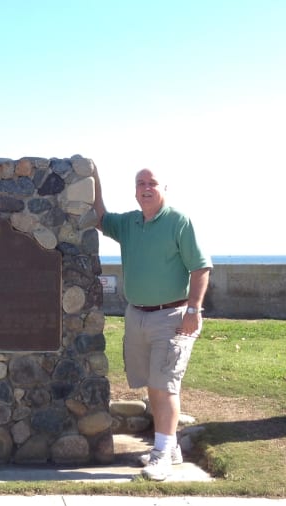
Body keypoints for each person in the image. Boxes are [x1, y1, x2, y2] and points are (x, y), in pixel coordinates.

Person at [92, 166, 212, 481]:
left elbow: (201, 268)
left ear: (164, 188)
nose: (146, 188)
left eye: (152, 183)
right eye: (140, 183)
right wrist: (93, 175)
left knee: (164, 385)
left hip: (172, 317)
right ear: (135, 190)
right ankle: (169, 447)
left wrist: (193, 310)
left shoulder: (179, 222)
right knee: (153, 384)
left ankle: (160, 455)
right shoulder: (129, 223)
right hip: (137, 315)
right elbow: (100, 217)